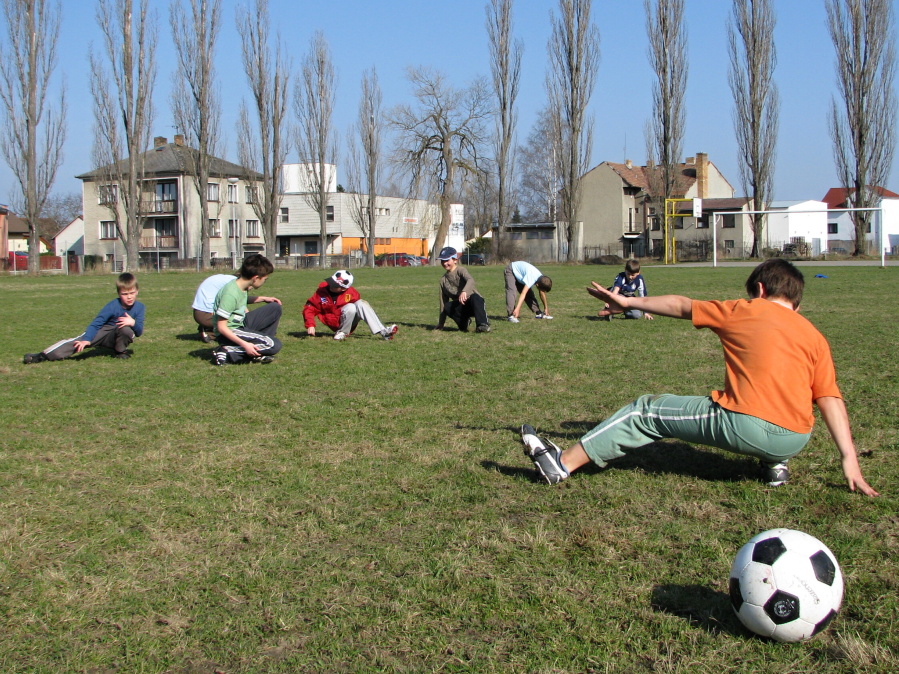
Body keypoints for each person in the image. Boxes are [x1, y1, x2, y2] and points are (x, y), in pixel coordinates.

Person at [520, 259, 879, 496]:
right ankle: (775, 466)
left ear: (760, 291)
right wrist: (849, 456)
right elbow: (830, 398)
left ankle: (561, 464)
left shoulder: (745, 309)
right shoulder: (815, 335)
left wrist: (629, 304)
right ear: (796, 302)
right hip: (795, 439)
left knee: (647, 411)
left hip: (745, 424)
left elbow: (680, 304)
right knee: (781, 399)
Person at [24, 272, 145, 363]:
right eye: (125, 294)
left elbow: (139, 332)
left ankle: (120, 351)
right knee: (78, 342)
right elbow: (96, 323)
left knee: (126, 330)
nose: (129, 297)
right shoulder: (112, 306)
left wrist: (132, 322)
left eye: (132, 293)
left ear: (137, 291)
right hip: (102, 332)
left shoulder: (140, 308)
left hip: (117, 336)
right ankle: (42, 355)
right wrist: (87, 339)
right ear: (119, 294)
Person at [211, 254, 282, 366]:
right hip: (229, 331)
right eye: (265, 279)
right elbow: (222, 327)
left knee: (274, 308)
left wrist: (263, 298)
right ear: (255, 278)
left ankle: (259, 349)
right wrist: (244, 344)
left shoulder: (241, 285)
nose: (265, 282)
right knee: (274, 344)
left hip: (241, 323)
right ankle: (226, 351)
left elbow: (240, 300)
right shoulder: (230, 294)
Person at [303, 270, 398, 341]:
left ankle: (384, 332)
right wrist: (310, 325)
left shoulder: (351, 293)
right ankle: (341, 332)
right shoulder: (321, 292)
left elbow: (360, 308)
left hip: (349, 320)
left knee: (361, 303)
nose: (331, 286)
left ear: (343, 289)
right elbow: (309, 308)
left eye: (335, 286)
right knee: (351, 307)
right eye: (331, 282)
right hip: (334, 322)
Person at [192, 272, 280, 342]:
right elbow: (240, 304)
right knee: (237, 324)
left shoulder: (232, 281)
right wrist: (250, 321)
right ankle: (209, 332)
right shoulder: (232, 284)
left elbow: (238, 299)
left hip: (200, 313)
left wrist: (262, 298)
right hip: (206, 315)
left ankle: (208, 329)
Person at [436, 246, 490, 333]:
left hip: (474, 304)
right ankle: (464, 322)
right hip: (461, 307)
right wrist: (441, 323)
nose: (445, 263)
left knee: (475, 297)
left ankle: (482, 325)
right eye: (443, 261)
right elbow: (443, 302)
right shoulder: (443, 280)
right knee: (448, 306)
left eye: (447, 260)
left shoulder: (461, 270)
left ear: (455, 260)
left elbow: (471, 280)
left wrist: (464, 291)